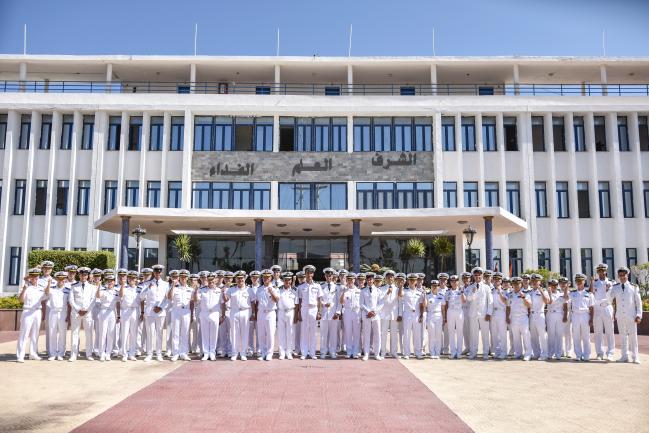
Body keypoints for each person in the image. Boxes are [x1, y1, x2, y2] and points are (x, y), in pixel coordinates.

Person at [609, 267, 643, 364]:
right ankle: (624, 356)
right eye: (620, 275)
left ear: (627, 275)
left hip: (631, 316)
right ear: (618, 276)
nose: (622, 277)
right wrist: (608, 290)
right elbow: (609, 300)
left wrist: (639, 315)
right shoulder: (615, 287)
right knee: (623, 336)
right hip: (620, 315)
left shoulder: (634, 287)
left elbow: (638, 302)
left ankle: (635, 356)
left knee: (633, 337)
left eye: (624, 275)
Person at [16, 268, 47, 362]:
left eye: (36, 276)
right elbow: (20, 300)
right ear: (29, 277)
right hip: (27, 311)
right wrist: (24, 288)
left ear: (38, 277)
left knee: (35, 334)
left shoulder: (41, 287)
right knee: (24, 334)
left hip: (37, 311)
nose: (34, 278)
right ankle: (20, 355)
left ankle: (33, 353)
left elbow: (46, 296)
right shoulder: (25, 286)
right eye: (32, 276)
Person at [141, 264, 169, 362]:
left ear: (161, 273)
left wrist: (161, 307)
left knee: (159, 333)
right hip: (149, 312)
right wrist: (148, 288)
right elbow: (141, 297)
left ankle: (159, 353)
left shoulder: (166, 284)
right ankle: (149, 354)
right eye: (156, 272)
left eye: (159, 272)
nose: (158, 273)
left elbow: (167, 299)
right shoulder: (147, 283)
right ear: (153, 272)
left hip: (160, 312)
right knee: (150, 333)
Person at [223, 270, 253, 361]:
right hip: (234, 312)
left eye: (242, 278)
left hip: (245, 312)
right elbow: (226, 300)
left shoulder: (249, 289)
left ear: (245, 279)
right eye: (238, 278)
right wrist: (223, 293)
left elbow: (253, 302)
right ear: (235, 279)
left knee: (245, 333)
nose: (240, 280)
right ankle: (234, 353)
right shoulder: (231, 289)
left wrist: (254, 313)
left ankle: (243, 353)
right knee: (234, 333)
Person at [69, 267, 97, 361]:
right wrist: (78, 310)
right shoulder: (74, 286)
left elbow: (93, 300)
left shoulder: (93, 287)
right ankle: (73, 354)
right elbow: (71, 300)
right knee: (75, 333)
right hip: (76, 313)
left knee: (89, 334)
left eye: (85, 275)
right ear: (79, 275)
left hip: (87, 313)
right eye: (81, 275)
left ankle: (89, 354)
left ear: (88, 276)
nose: (83, 276)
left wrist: (87, 310)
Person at [195, 271, 225, 361]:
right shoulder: (202, 290)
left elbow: (223, 303)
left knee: (214, 334)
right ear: (207, 280)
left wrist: (222, 315)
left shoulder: (219, 291)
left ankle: (212, 352)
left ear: (215, 280)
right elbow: (197, 300)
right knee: (204, 334)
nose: (211, 282)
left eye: (212, 280)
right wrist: (196, 291)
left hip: (215, 314)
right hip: (204, 313)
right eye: (209, 280)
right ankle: (206, 353)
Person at [465, 267, 493, 360]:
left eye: (479, 275)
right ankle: (473, 352)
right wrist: (472, 293)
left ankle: (485, 353)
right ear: (473, 276)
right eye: (476, 275)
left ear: (482, 276)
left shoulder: (486, 287)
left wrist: (489, 313)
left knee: (485, 334)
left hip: (484, 314)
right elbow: (468, 299)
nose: (478, 277)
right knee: (473, 334)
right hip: (473, 314)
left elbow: (490, 301)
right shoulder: (470, 287)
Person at [565, 273, 594, 362]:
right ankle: (578, 354)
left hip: (585, 315)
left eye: (580, 281)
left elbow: (591, 307)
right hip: (575, 315)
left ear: (584, 282)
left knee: (586, 336)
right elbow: (565, 297)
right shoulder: (573, 293)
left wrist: (591, 319)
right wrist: (567, 287)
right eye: (577, 281)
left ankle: (586, 355)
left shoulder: (589, 294)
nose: (579, 283)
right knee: (576, 336)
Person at [297, 265, 322, 360]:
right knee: (304, 331)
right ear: (305, 274)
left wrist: (319, 312)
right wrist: (299, 312)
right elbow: (299, 301)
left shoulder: (317, 286)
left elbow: (319, 300)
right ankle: (304, 352)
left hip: (313, 309)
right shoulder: (301, 287)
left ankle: (312, 353)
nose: (309, 275)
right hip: (304, 309)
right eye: (307, 273)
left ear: (313, 274)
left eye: (311, 273)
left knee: (313, 332)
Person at [591, 263, 615, 360]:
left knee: (610, 331)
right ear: (597, 272)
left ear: (606, 271)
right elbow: (590, 294)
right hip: (597, 308)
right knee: (598, 332)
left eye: (603, 270)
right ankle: (599, 353)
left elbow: (615, 297)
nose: (601, 272)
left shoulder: (612, 282)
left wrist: (614, 311)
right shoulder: (595, 282)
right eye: (599, 271)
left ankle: (610, 353)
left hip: (608, 307)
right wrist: (592, 282)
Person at [167, 270, 193, 361]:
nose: (183, 279)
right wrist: (173, 286)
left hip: (186, 311)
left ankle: (183, 352)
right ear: (179, 278)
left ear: (187, 278)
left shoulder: (190, 289)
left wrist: (192, 314)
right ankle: (175, 353)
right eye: (181, 277)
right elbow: (169, 297)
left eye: (185, 277)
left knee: (185, 332)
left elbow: (192, 302)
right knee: (176, 332)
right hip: (176, 311)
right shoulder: (174, 288)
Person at [507, 276, 532, 361]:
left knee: (526, 335)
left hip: (523, 317)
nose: (516, 286)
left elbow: (529, 305)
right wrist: (508, 317)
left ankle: (528, 353)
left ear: (521, 284)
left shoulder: (525, 293)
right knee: (516, 336)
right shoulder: (510, 294)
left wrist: (523, 297)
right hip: (514, 317)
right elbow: (508, 306)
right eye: (514, 284)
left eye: (518, 284)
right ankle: (518, 353)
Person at [398, 273, 423, 360]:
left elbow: (421, 304)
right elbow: (400, 296)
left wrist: (421, 315)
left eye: (414, 280)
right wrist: (401, 286)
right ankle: (407, 353)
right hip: (407, 314)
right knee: (407, 334)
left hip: (416, 314)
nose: (412, 282)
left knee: (417, 334)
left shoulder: (420, 292)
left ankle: (418, 352)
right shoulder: (405, 291)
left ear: (416, 281)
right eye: (410, 280)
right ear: (408, 281)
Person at [95, 272, 119, 362]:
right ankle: (102, 353)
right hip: (103, 311)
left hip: (112, 312)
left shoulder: (116, 291)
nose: (110, 282)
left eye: (111, 281)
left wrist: (118, 315)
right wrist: (98, 286)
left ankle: (108, 353)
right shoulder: (103, 290)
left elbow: (118, 302)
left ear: (114, 282)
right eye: (108, 281)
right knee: (103, 333)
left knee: (111, 334)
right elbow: (97, 296)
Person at [256, 269, 279, 361]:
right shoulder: (259, 289)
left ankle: (269, 353)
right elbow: (257, 302)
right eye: (264, 277)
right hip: (261, 313)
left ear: (271, 278)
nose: (266, 278)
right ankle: (263, 352)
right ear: (262, 278)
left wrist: (271, 292)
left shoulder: (275, 288)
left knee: (270, 334)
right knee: (261, 334)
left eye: (268, 277)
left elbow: (277, 299)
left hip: (270, 313)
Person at [45, 271, 69, 361]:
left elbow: (69, 303)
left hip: (63, 312)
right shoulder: (52, 288)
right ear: (56, 279)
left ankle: (61, 353)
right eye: (59, 279)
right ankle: (53, 353)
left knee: (62, 333)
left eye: (62, 279)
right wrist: (49, 283)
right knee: (52, 333)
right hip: (53, 312)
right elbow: (46, 293)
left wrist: (68, 316)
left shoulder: (68, 290)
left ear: (65, 280)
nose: (61, 281)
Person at [361, 272, 383, 361]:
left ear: (373, 280)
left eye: (371, 279)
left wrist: (374, 312)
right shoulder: (363, 291)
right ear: (366, 280)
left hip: (376, 315)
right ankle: (366, 353)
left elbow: (381, 304)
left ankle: (377, 353)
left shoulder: (378, 291)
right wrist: (368, 311)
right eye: (368, 279)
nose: (370, 281)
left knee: (377, 334)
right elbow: (361, 303)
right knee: (366, 334)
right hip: (366, 315)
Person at [319, 268, 341, 359]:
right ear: (325, 276)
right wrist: (323, 305)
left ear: (333, 276)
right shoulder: (321, 286)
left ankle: (332, 351)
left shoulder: (337, 287)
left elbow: (339, 301)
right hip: (324, 313)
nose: (329, 277)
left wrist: (338, 312)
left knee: (333, 334)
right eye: (327, 275)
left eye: (330, 275)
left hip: (333, 314)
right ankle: (323, 352)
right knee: (323, 334)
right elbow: (319, 300)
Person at [119, 271, 140, 361]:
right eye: (130, 278)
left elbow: (142, 300)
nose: (132, 280)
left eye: (133, 278)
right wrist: (123, 285)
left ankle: (131, 353)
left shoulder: (139, 289)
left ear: (136, 279)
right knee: (124, 333)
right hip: (126, 310)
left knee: (134, 333)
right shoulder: (124, 287)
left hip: (135, 311)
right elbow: (120, 295)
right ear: (128, 279)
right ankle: (124, 353)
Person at [277, 272, 298, 360]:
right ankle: (282, 352)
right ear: (283, 280)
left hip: (290, 312)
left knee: (290, 333)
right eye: (286, 280)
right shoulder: (278, 290)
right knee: (281, 333)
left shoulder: (294, 290)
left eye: (289, 280)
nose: (287, 281)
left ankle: (289, 352)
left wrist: (296, 316)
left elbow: (297, 304)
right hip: (281, 312)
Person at [528, 274, 550, 361]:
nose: (534, 283)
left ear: (539, 282)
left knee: (542, 335)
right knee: (533, 336)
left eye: (536, 281)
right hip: (532, 315)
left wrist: (541, 292)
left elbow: (547, 301)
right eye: (533, 281)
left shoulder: (543, 291)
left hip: (540, 314)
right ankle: (536, 353)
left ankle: (545, 353)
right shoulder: (530, 292)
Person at [340, 272, 362, 359]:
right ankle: (349, 352)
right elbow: (341, 302)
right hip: (347, 312)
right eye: (348, 279)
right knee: (348, 332)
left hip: (356, 312)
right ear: (347, 280)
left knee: (356, 333)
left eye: (352, 279)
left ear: (354, 280)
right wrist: (343, 292)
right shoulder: (345, 291)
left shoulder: (359, 291)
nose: (350, 281)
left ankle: (355, 352)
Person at [445, 275, 466, 359]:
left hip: (459, 312)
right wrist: (445, 316)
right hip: (450, 311)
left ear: (458, 282)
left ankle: (459, 352)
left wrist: (462, 292)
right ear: (450, 282)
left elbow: (464, 300)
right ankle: (453, 352)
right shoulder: (448, 292)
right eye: (452, 281)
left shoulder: (461, 290)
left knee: (460, 332)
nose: (454, 282)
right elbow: (446, 304)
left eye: (455, 281)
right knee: (451, 332)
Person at [546, 279, 567, 360]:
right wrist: (550, 294)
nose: (553, 286)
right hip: (550, 314)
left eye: (555, 285)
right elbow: (549, 302)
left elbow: (565, 305)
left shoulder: (561, 294)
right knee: (551, 334)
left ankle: (558, 353)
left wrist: (565, 315)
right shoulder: (547, 294)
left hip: (559, 314)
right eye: (552, 285)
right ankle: (550, 353)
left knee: (559, 335)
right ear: (549, 286)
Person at [379, 270, 399, 358]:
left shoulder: (398, 289)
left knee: (394, 334)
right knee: (383, 334)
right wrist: (387, 293)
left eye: (391, 277)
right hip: (384, 314)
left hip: (394, 314)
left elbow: (400, 302)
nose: (390, 278)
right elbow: (381, 301)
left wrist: (400, 314)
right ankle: (383, 352)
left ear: (393, 278)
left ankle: (394, 352)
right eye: (388, 277)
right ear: (385, 279)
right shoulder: (382, 289)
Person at [424, 280, 446, 359]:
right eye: (433, 286)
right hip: (430, 315)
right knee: (431, 335)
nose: (434, 287)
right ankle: (432, 352)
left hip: (439, 315)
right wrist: (424, 295)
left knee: (438, 335)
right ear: (431, 287)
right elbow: (425, 306)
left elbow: (443, 308)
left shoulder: (441, 296)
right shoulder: (427, 295)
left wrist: (444, 318)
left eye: (436, 286)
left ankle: (437, 352)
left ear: (438, 287)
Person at [490, 272, 508, 360]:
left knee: (502, 333)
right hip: (493, 313)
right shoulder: (491, 291)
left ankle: (504, 352)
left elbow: (505, 301)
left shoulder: (504, 290)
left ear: (501, 281)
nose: (497, 281)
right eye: (495, 279)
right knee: (494, 334)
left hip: (501, 313)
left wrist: (500, 291)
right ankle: (497, 352)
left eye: (498, 280)